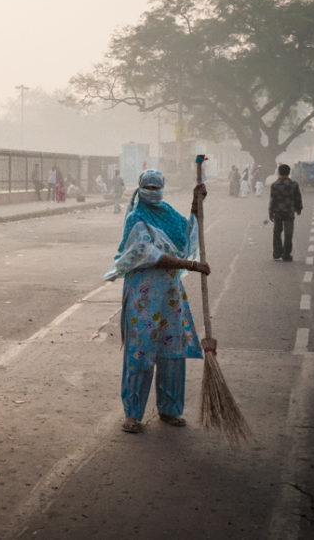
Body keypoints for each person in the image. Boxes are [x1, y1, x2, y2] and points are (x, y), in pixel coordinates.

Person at [104, 170, 211, 434]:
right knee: (140, 355)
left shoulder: (168, 213)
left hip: (170, 297)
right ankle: (133, 414)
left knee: (172, 354)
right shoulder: (136, 217)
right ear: (140, 188)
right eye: (147, 186)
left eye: (156, 186)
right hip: (143, 298)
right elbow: (149, 254)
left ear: (162, 188)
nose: (152, 190)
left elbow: (186, 235)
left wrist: (196, 203)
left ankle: (170, 409)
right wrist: (191, 265)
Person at [269, 163, 303, 262]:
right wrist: (299, 208)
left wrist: (270, 212)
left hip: (278, 213)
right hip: (289, 213)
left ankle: (277, 253)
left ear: (279, 172)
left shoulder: (274, 185)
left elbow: (272, 200)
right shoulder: (294, 184)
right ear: (289, 172)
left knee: (277, 233)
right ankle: (286, 254)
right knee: (288, 234)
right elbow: (298, 198)